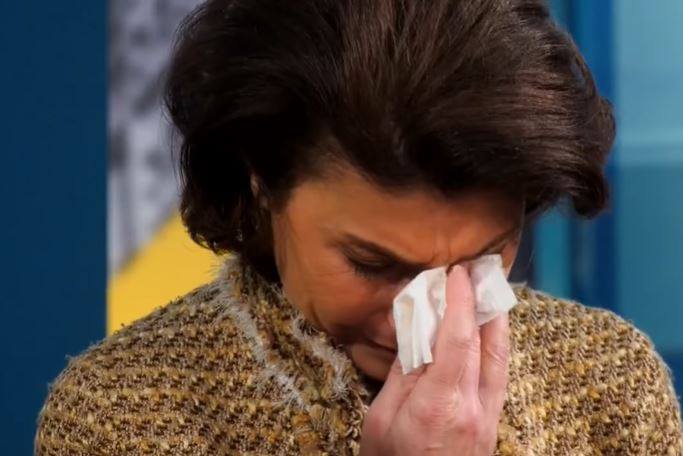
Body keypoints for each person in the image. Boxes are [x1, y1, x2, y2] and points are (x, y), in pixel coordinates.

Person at [35, 0, 683, 454]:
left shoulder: (608, 380)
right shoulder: (124, 414)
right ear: (261, 183)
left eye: (481, 259)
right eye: (374, 264)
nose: (431, 319)